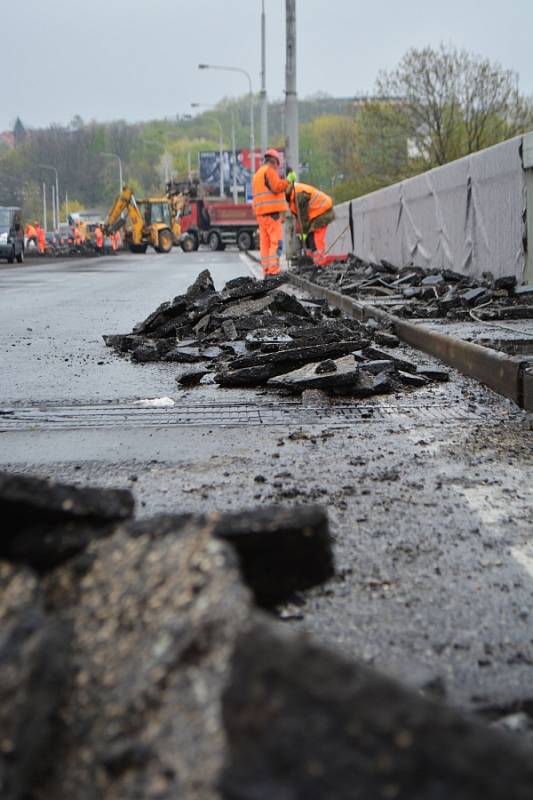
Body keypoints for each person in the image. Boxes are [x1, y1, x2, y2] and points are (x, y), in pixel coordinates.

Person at [252, 148, 296, 277]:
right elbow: (277, 187)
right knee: (275, 242)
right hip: (272, 213)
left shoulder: (257, 174)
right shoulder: (269, 171)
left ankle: (266, 270)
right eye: (278, 164)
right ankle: (273, 270)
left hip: (261, 214)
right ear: (275, 162)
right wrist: (288, 180)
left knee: (265, 243)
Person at [287, 181, 335, 264]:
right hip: (315, 214)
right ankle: (311, 262)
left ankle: (320, 263)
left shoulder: (299, 195)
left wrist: (303, 233)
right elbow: (298, 218)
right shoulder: (291, 196)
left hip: (323, 212)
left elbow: (303, 218)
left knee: (316, 239)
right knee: (309, 238)